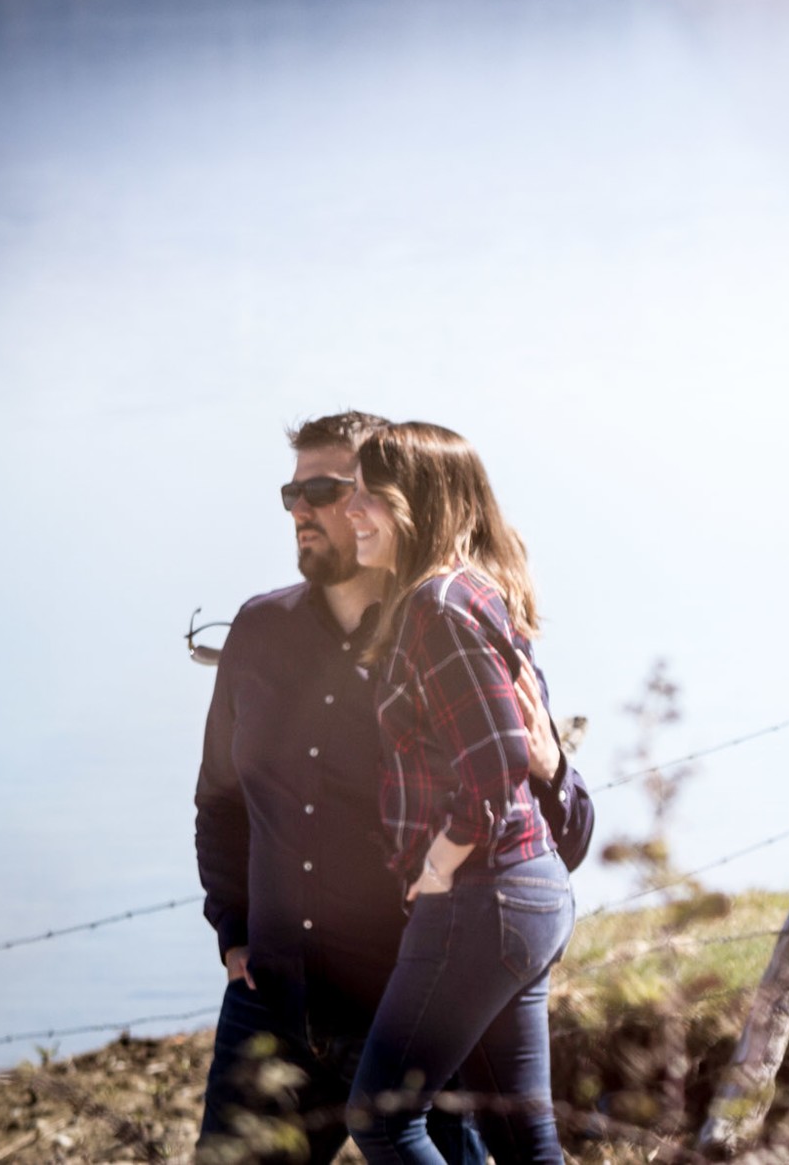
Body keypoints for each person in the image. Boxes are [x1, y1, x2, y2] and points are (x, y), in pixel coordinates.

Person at [194, 411, 594, 1165]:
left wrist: (551, 771)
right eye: (293, 493)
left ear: (395, 498)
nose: (308, 510)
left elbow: (550, 834)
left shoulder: (448, 616)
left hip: (410, 989)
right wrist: (234, 932)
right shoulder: (257, 629)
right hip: (274, 994)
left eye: (332, 489)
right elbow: (218, 801)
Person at [341, 421, 576, 1165]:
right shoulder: (474, 591)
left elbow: (498, 761)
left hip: (482, 895)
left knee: (381, 1118)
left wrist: (438, 865)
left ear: (422, 504)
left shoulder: (438, 605)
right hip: (526, 891)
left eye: (369, 496)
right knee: (521, 1139)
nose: (351, 511)